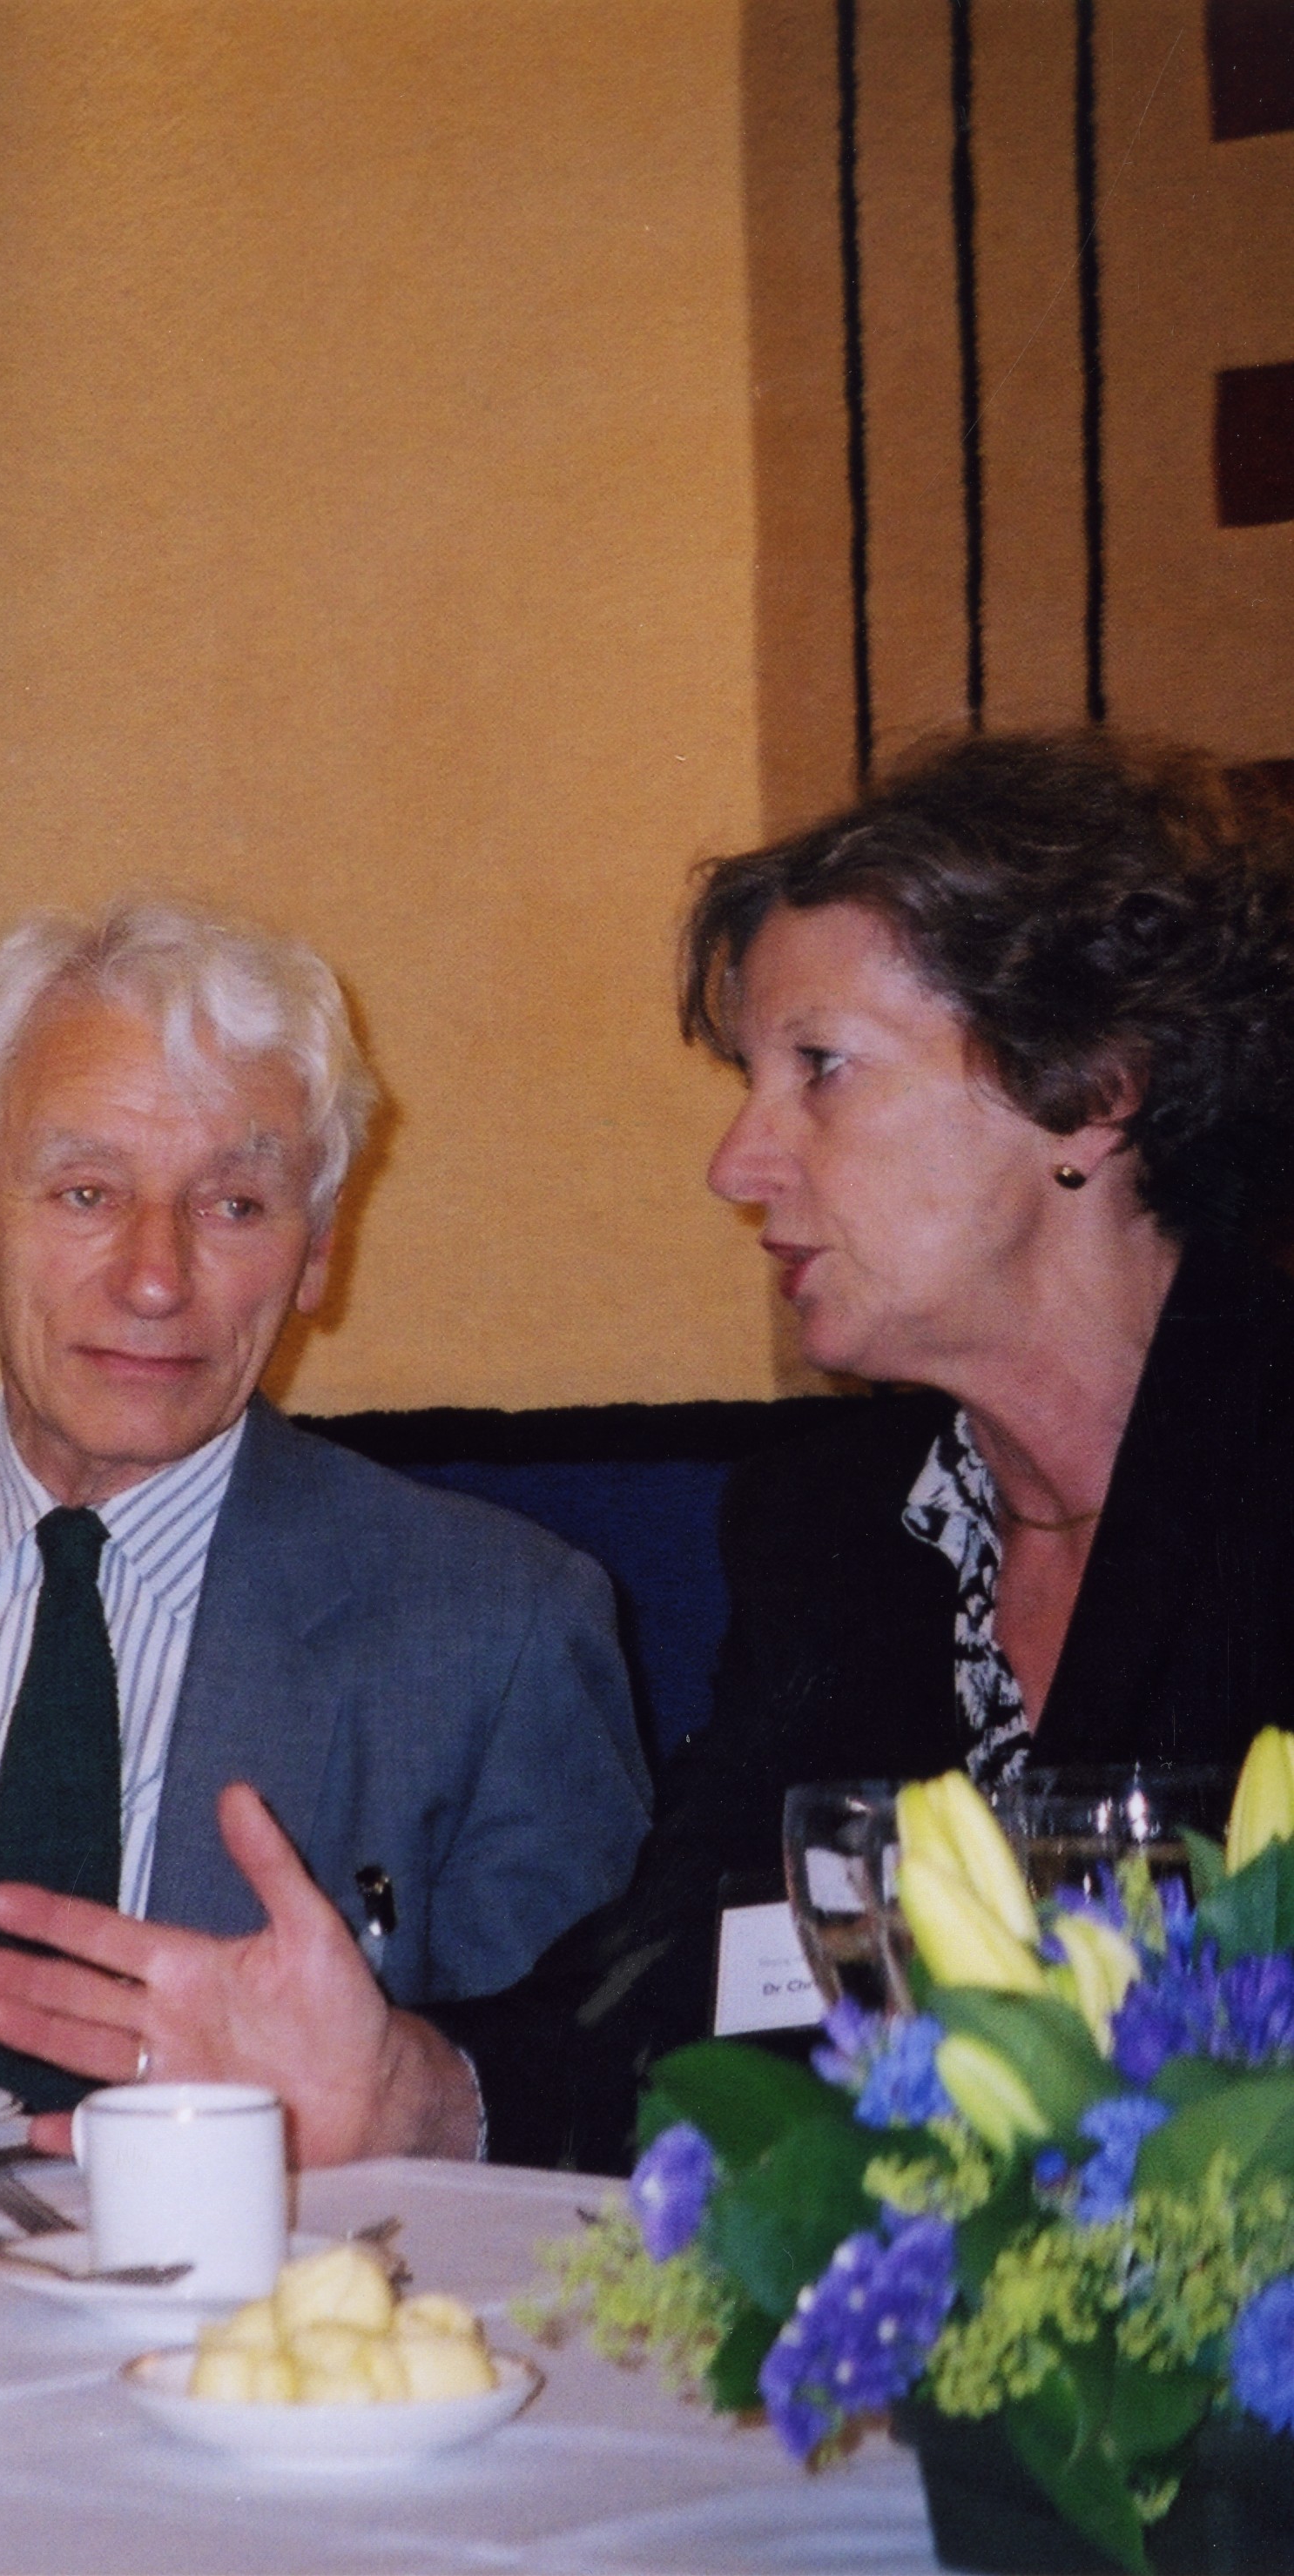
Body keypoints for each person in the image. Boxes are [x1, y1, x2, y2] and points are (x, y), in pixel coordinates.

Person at [0, 897, 652, 2164]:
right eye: (87, 1192)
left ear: (319, 1247)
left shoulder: (495, 1630)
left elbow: (581, 2124)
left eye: (236, 1205)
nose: (155, 1278)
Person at [511, 732, 1294, 2160]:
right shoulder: (831, 1527)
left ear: (1088, 1086)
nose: (736, 1163)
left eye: (821, 1067)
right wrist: (419, 2077)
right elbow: (664, 1989)